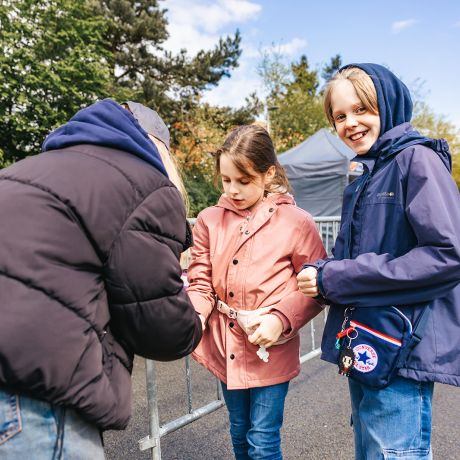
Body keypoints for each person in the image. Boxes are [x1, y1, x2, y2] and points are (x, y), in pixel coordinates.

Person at [0, 99, 202, 458]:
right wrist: (195, 319)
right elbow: (159, 320)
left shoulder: (31, 168)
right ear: (160, 149)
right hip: (32, 392)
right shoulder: (145, 183)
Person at [297, 63, 460, 459]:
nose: (350, 123)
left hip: (403, 345)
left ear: (388, 105)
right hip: (369, 341)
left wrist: (336, 278)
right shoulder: (367, 172)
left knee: (393, 452)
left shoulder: (416, 160)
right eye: (339, 115)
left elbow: (446, 255)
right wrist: (322, 271)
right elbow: (350, 256)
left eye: (361, 110)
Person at [187, 124, 326, 460]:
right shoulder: (208, 220)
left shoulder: (297, 222)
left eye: (244, 180)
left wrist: (280, 319)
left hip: (271, 348)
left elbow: (316, 284)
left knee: (262, 441)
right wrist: (192, 316)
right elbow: (200, 281)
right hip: (225, 346)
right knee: (238, 432)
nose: (233, 189)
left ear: (268, 174)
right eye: (226, 179)